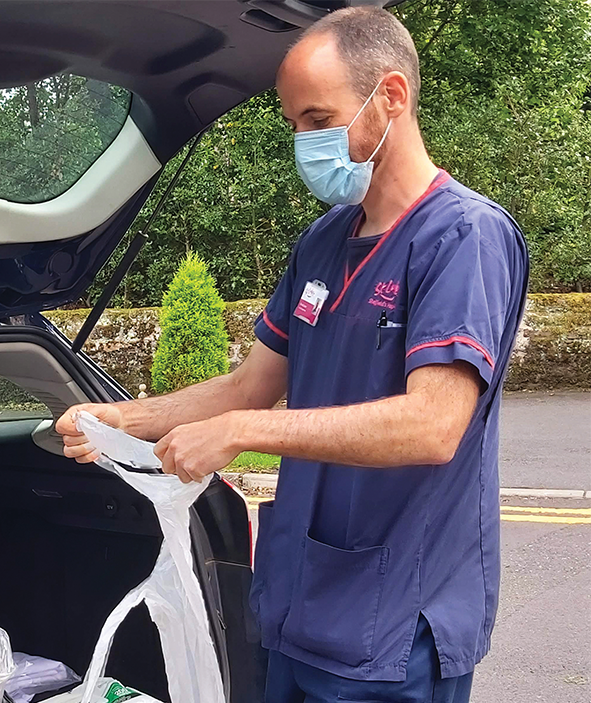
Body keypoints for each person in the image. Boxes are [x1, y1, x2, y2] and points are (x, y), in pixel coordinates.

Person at [56, 7, 528, 703]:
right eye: (294, 125)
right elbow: (251, 384)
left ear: (390, 98)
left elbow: (433, 424)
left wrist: (242, 435)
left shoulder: (465, 238)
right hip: (298, 610)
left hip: (393, 634)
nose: (303, 142)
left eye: (317, 118)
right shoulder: (324, 242)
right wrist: (120, 419)